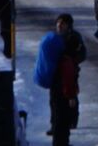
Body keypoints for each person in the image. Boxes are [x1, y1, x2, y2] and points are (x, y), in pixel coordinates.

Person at [36, 14, 87, 146]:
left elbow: (81, 55)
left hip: (67, 77)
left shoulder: (73, 38)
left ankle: (71, 123)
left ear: (68, 25)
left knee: (69, 103)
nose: (59, 25)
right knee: (58, 108)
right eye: (58, 22)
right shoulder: (55, 39)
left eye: (63, 23)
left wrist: (71, 59)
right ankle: (58, 131)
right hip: (58, 79)